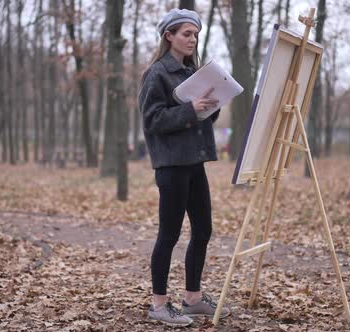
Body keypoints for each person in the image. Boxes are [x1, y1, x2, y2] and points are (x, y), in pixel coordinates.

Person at [138, 8, 230, 327]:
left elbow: (199, 118)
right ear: (169, 36)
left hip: (195, 163)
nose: (192, 39)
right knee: (169, 235)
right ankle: (159, 305)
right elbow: (152, 120)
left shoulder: (193, 72)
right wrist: (190, 109)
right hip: (172, 166)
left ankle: (192, 299)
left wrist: (210, 106)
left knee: (203, 230)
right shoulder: (157, 73)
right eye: (186, 34)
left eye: (195, 34)